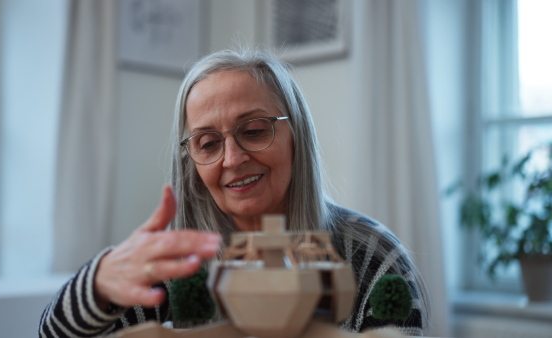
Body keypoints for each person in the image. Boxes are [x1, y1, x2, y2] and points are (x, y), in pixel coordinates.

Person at [39, 49, 430, 337]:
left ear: (296, 136)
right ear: (191, 163)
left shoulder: (374, 258)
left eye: (255, 130)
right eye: (208, 143)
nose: (233, 158)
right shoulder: (173, 267)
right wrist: (97, 282)